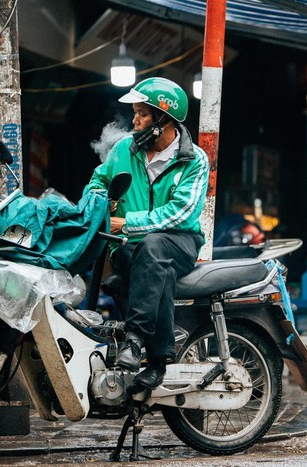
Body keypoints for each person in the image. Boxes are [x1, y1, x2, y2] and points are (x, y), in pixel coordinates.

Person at [84, 77, 209, 389]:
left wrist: (125, 223)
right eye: (134, 114)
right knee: (152, 268)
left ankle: (135, 337)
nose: (134, 121)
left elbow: (182, 213)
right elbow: (97, 181)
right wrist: (102, 201)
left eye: (141, 114)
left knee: (153, 248)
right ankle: (158, 360)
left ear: (162, 119)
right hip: (132, 245)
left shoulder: (194, 160)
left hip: (180, 240)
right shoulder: (124, 149)